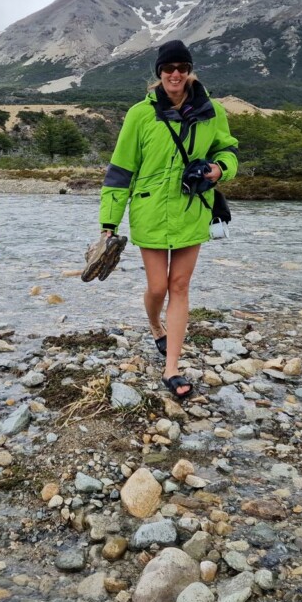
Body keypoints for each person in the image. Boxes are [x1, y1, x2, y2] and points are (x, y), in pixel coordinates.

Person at [95, 40, 238, 400]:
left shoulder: (211, 110)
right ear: (158, 73)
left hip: (193, 209)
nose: (175, 74)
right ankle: (155, 325)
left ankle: (171, 367)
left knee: (180, 286)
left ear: (190, 71)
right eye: (168, 68)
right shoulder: (139, 115)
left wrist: (219, 169)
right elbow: (120, 171)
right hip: (150, 211)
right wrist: (108, 223)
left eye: (181, 67)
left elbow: (227, 149)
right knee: (158, 288)